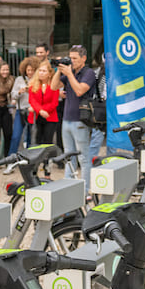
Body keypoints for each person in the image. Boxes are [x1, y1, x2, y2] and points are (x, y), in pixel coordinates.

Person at [53, 44, 98, 184]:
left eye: (75, 58)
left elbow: (80, 90)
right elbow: (53, 87)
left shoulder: (88, 73)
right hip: (66, 119)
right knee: (68, 157)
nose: (71, 61)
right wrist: (58, 70)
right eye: (70, 58)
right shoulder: (70, 72)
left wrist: (69, 74)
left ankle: (85, 191)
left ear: (83, 58)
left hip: (80, 121)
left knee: (83, 158)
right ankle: (69, 187)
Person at [9, 56, 37, 154]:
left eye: (33, 70)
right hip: (20, 110)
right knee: (16, 136)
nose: (30, 72)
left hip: (33, 111)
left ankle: (29, 158)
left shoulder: (38, 80)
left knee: (31, 137)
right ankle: (11, 158)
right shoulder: (19, 79)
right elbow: (13, 95)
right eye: (28, 70)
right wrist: (20, 92)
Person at [28, 60, 60, 146]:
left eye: (44, 71)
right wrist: (40, 111)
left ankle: (47, 159)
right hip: (36, 117)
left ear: (49, 74)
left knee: (48, 142)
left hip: (50, 117)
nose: (41, 73)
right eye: (40, 70)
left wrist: (44, 110)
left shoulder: (54, 85)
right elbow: (32, 100)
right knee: (36, 142)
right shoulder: (33, 84)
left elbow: (54, 102)